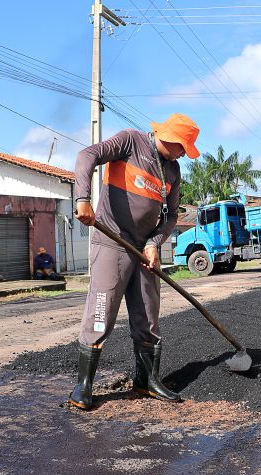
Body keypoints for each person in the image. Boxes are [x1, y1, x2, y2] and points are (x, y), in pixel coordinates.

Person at [70, 113, 200, 410]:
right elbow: (86, 155)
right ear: (170, 138)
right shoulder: (131, 142)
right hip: (112, 241)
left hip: (144, 250)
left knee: (148, 316)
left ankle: (147, 380)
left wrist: (154, 243)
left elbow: (171, 216)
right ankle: (83, 385)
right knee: (101, 313)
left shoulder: (173, 170)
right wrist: (82, 199)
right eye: (183, 148)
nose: (184, 155)